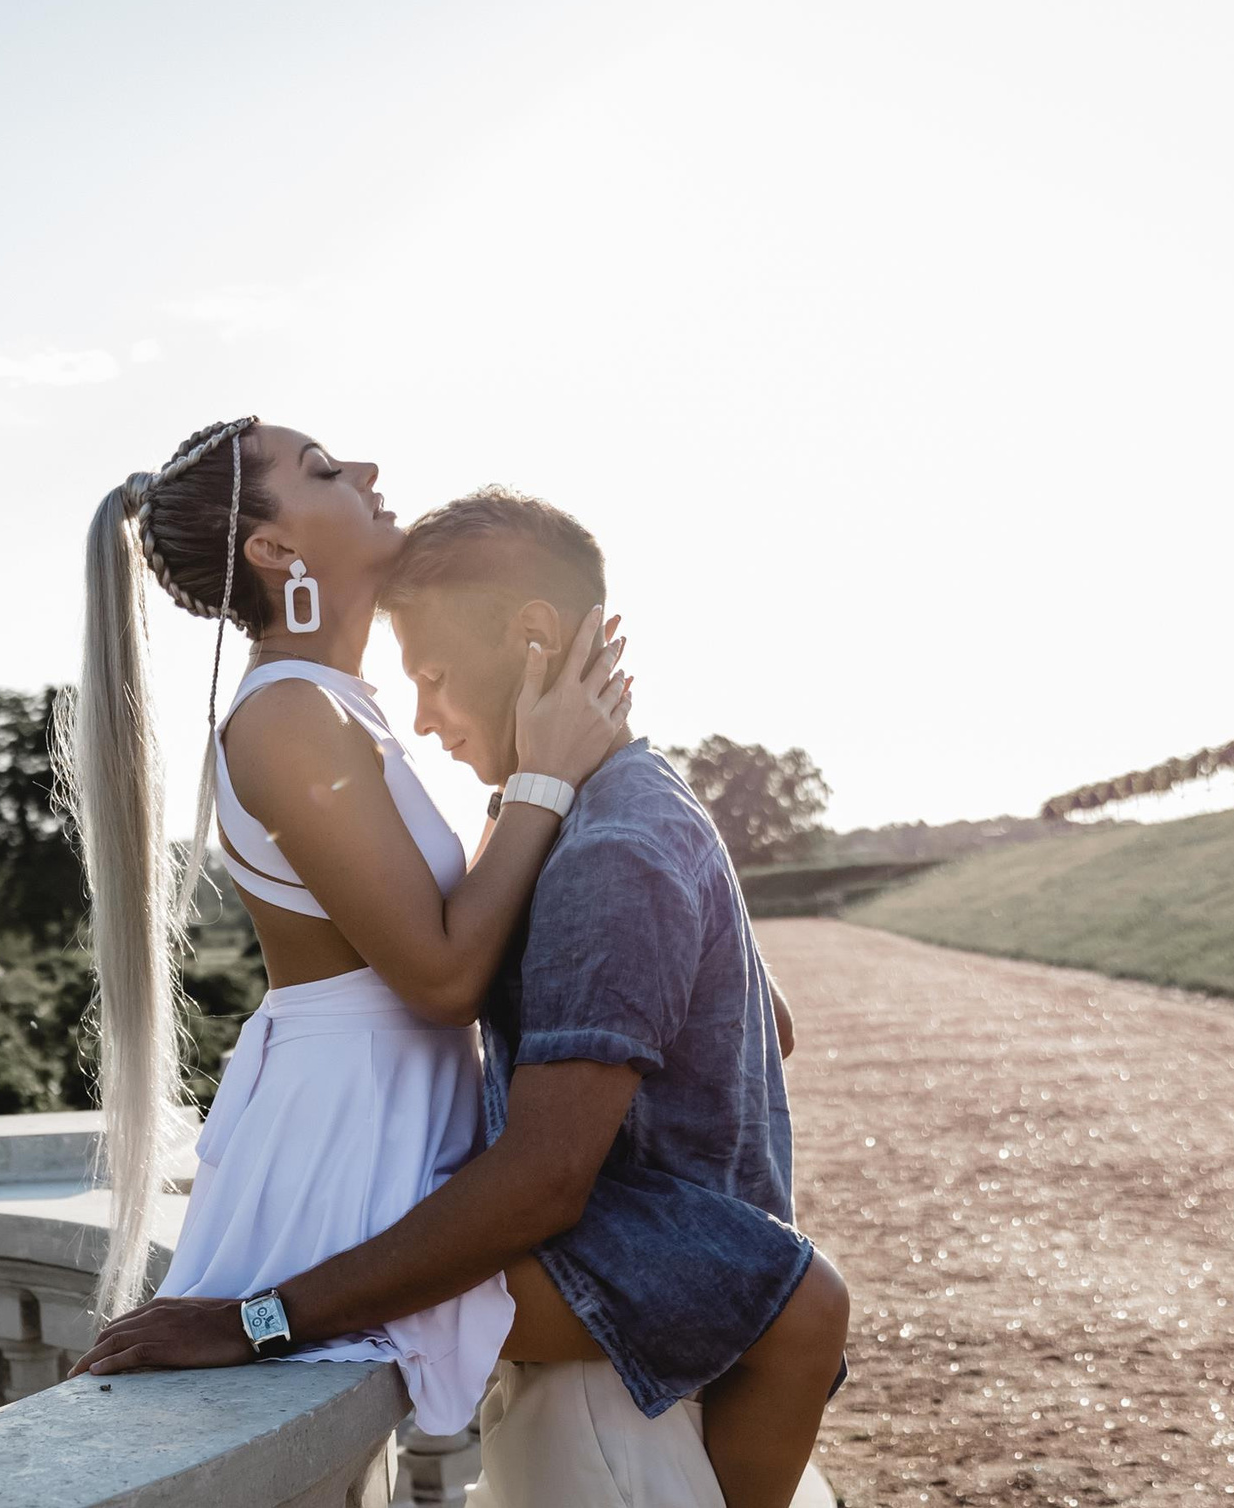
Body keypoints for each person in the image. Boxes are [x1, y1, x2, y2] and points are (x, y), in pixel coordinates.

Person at [72, 487, 852, 1508]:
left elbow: (543, 1183)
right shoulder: (626, 805)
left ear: (533, 635)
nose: (425, 714)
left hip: (612, 1370)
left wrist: (253, 1320)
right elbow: (767, 1025)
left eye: (433, 676)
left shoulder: (608, 844)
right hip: (635, 1341)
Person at [51, 419, 635, 1437]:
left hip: (389, 1109)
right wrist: (540, 778)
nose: (365, 472)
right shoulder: (286, 717)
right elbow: (443, 975)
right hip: (345, 1134)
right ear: (274, 552)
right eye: (321, 471)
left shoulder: (339, 706)